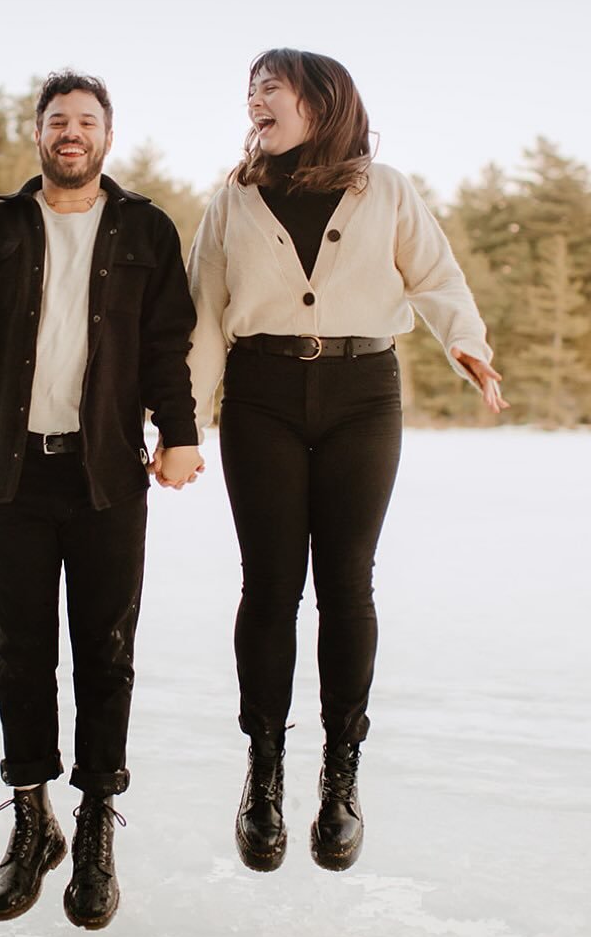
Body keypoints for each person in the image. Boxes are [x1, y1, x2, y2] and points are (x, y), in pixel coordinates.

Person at [184, 48, 506, 875]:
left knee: (347, 584)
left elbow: (435, 275)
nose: (256, 98)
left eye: (272, 86)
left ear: (322, 102)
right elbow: (205, 314)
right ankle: (263, 774)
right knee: (269, 585)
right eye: (249, 89)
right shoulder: (233, 197)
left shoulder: (385, 188)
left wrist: (465, 345)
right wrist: (182, 423)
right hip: (260, 397)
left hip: (365, 392)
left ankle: (340, 776)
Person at [0, 70, 203, 930]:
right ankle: (33, 821)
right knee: (22, 653)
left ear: (108, 135)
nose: (71, 133)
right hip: (13, 476)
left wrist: (179, 432)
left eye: (87, 121)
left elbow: (164, 348)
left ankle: (99, 825)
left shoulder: (145, 229)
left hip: (106, 474)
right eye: (58, 120)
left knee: (107, 655)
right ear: (37, 133)